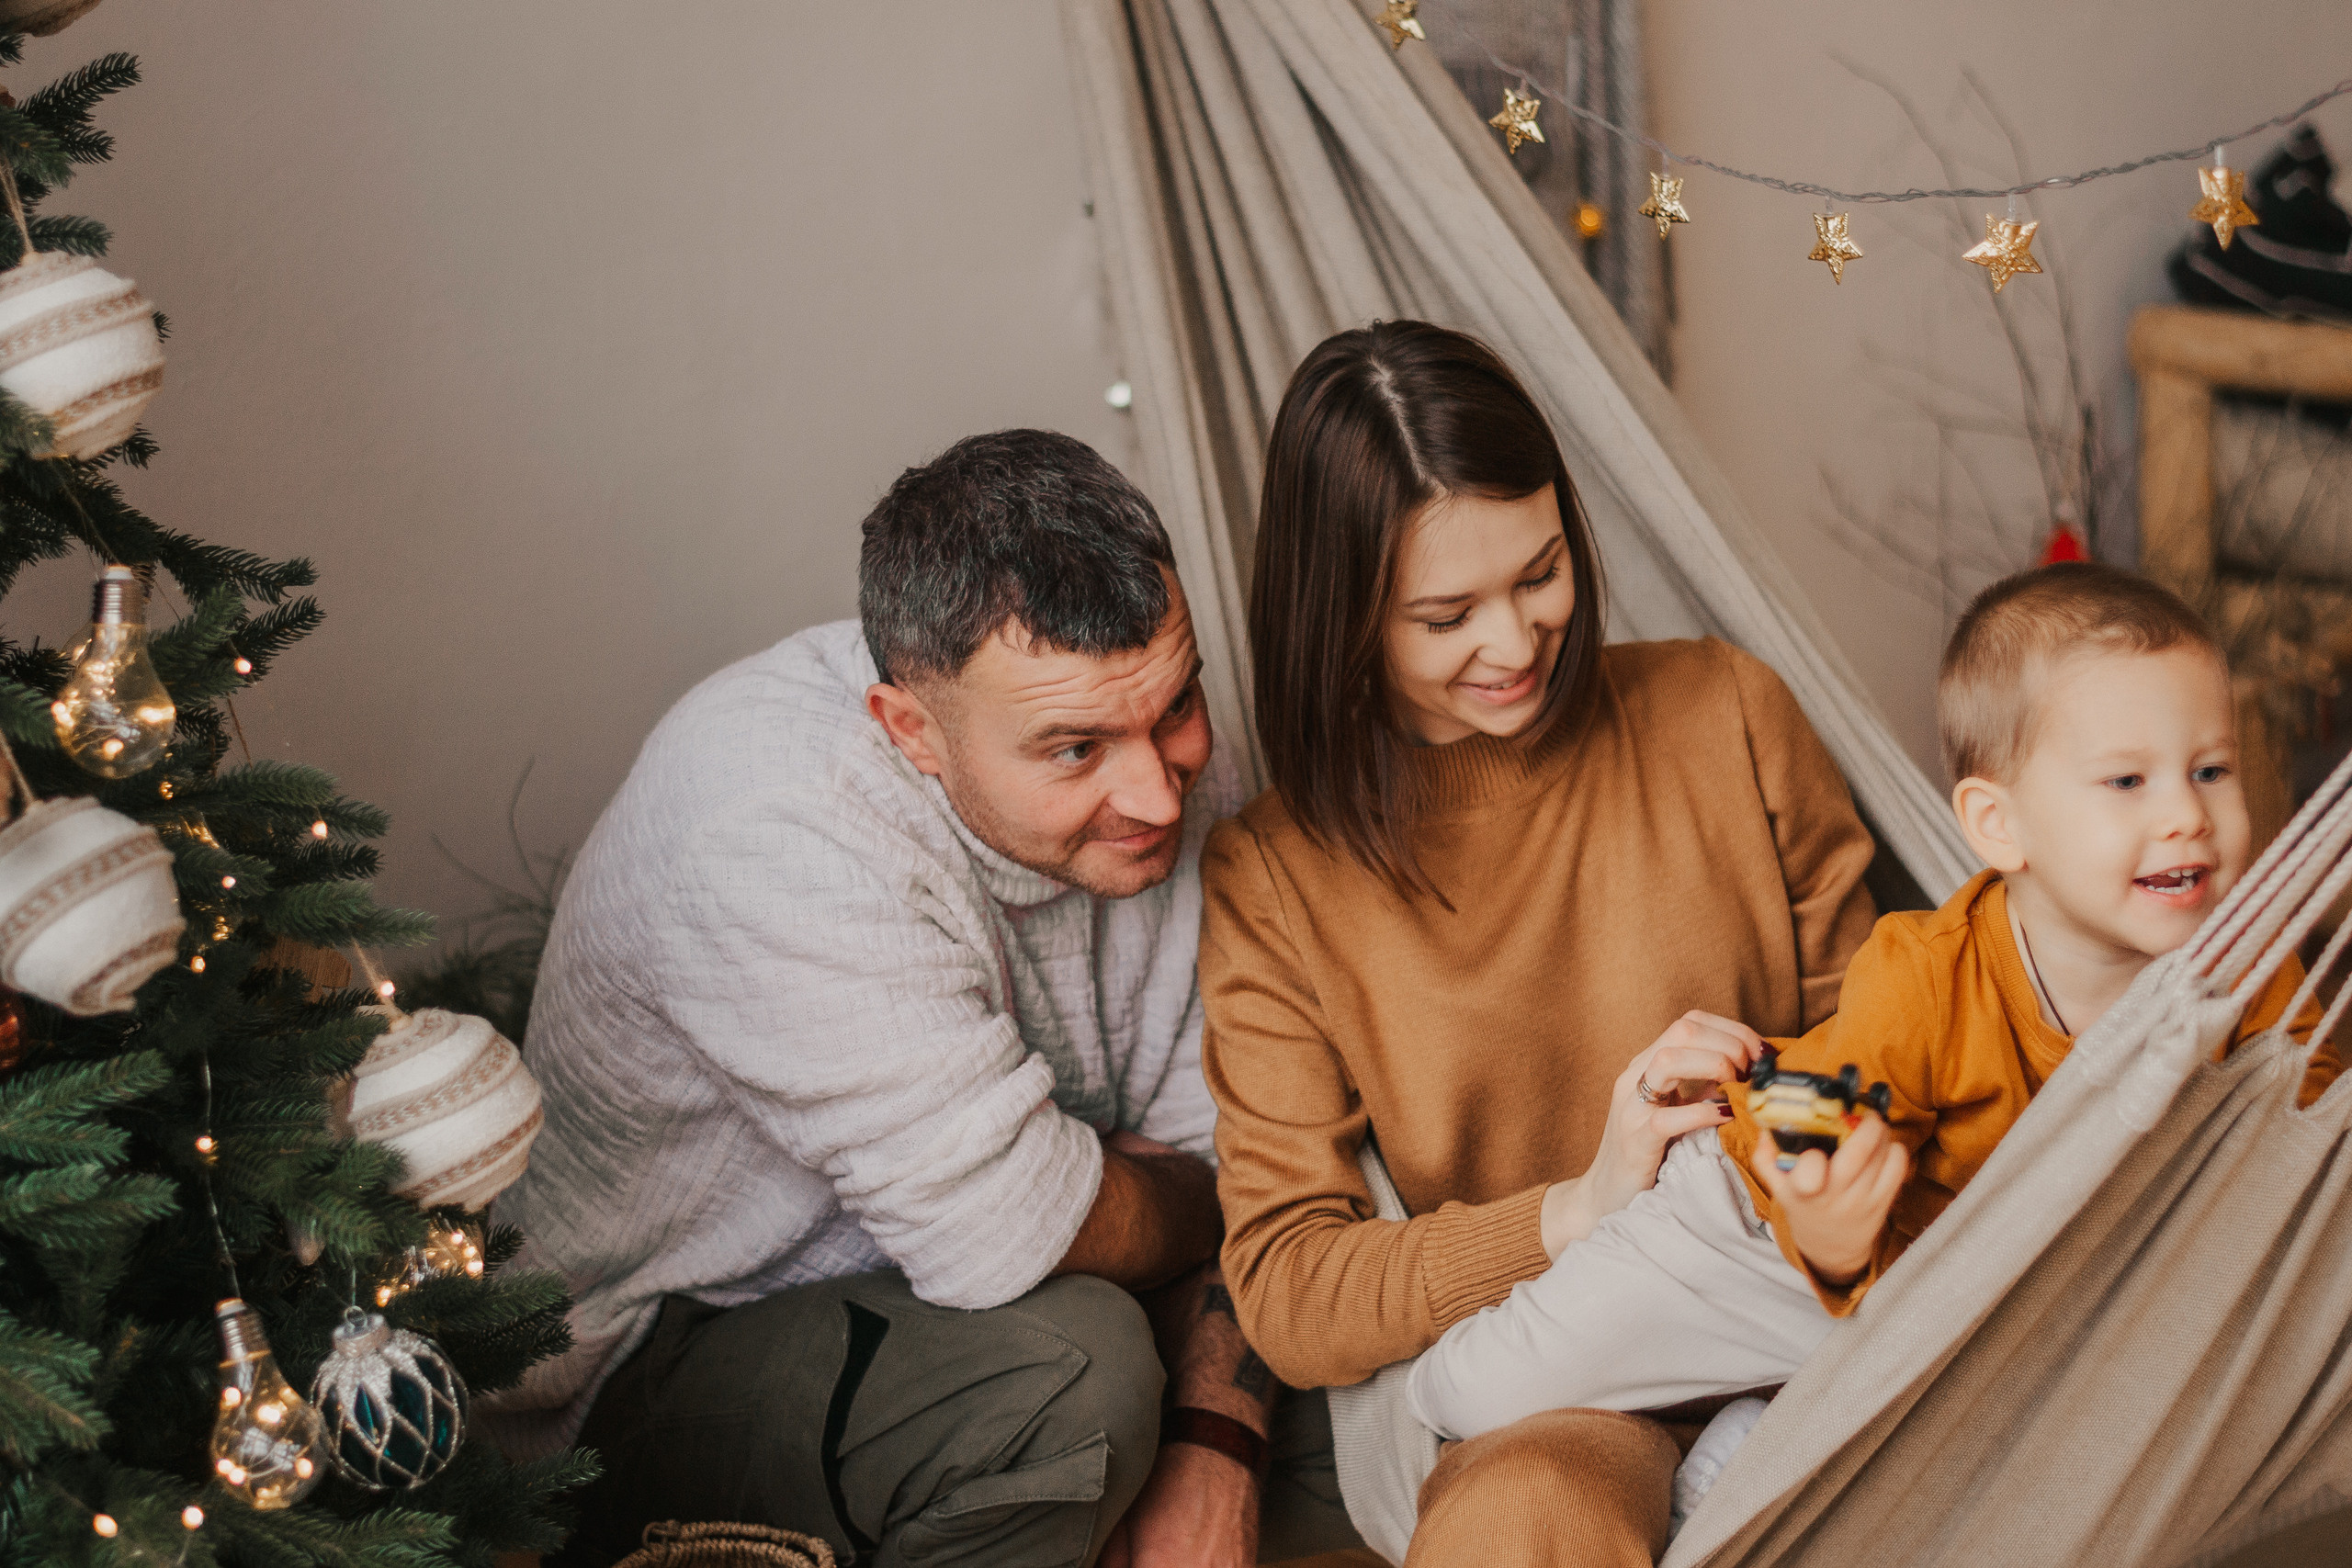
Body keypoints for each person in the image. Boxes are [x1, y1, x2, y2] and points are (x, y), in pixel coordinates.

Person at [484, 430, 1358, 1567]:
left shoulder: (1169, 762)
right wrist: (1182, 1200)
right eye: (1074, 750)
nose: (1156, 791)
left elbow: (1265, 1167)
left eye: (1173, 709)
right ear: (912, 732)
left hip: (982, 1301)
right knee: (1071, 1377)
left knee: (1384, 1367)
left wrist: (1214, 1447)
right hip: (647, 1360)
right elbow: (1006, 1242)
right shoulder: (768, 826)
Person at [1199, 319, 1880, 1565]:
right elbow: (1295, 1291)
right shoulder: (1277, 879)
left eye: (1540, 572)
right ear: (1341, 617)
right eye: (1446, 613)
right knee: (1524, 1519)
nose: (1513, 644)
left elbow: (1895, 1041)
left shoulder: (1726, 712)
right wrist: (1576, 1208)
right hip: (1549, 1389)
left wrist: (1780, 1129)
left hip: (1815, 1310)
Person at [1405, 561, 2344, 1443]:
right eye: (2128, 782)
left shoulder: (2249, 968)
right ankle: (1436, 1386)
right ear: (1996, 825)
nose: (2185, 814)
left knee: (1886, 1454)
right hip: (1762, 1226)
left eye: (2210, 771)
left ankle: (1762, 1431)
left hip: (1962, 1305)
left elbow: (2317, 1125)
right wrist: (1823, 1228)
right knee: (1474, 1394)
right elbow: (1820, 1149)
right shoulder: (1926, 976)